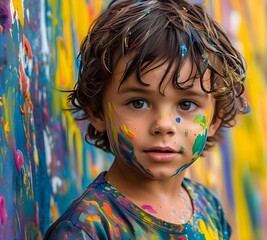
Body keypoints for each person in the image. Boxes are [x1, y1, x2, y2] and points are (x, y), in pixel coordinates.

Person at [44, 0, 248, 239]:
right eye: (138, 103)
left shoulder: (209, 208)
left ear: (214, 120)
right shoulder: (88, 230)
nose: (164, 124)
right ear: (97, 111)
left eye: (186, 104)